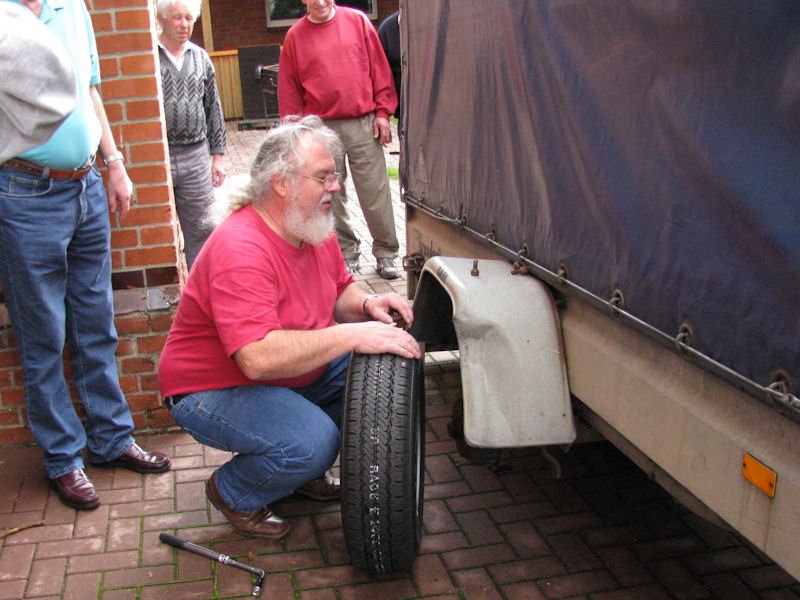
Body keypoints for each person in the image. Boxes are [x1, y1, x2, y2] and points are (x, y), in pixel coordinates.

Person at [158, 116, 421, 539]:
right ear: (281, 183)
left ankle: (297, 475)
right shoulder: (241, 247)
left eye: (334, 175)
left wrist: (370, 304)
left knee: (374, 372)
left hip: (283, 373)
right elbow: (258, 359)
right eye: (323, 177)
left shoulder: (312, 227)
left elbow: (340, 290)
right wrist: (353, 334)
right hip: (209, 387)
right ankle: (234, 491)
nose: (334, 186)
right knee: (312, 443)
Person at [0, 0, 171, 512]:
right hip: (24, 195)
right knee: (43, 335)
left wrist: (113, 162)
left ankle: (111, 438)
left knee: (97, 323)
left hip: (87, 188)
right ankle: (63, 458)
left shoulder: (71, 6)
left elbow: (89, 88)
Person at [278, 0, 402, 280]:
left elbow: (380, 70)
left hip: (363, 122)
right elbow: (289, 89)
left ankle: (386, 253)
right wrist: (296, 132)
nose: (320, 1)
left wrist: (383, 112)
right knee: (330, 194)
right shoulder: (295, 37)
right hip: (320, 127)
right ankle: (345, 252)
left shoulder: (358, 22)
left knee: (375, 191)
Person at [157, 0, 227, 270]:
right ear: (162, 19)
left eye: (189, 18)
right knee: (163, 232)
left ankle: (204, 290)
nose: (184, 24)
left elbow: (214, 109)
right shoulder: (151, 56)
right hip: (160, 156)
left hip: (195, 155)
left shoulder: (200, 58)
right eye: (177, 18)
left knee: (202, 228)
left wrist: (217, 157)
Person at [0, 2, 77, 163]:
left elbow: (89, 88)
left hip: (86, 176)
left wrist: (113, 158)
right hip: (16, 173)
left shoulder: (73, 6)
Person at [377, 4, 402, 123]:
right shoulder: (388, 30)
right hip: (408, 118)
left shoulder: (447, 24)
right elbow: (380, 77)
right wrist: (382, 113)